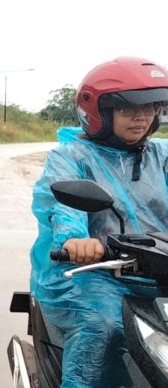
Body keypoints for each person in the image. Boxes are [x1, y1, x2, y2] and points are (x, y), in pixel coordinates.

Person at [30, 56, 168, 388]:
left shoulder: (161, 155)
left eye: (150, 108)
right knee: (103, 327)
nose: (141, 117)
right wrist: (77, 240)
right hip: (96, 274)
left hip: (158, 268)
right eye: (128, 109)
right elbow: (62, 205)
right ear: (99, 114)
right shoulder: (71, 157)